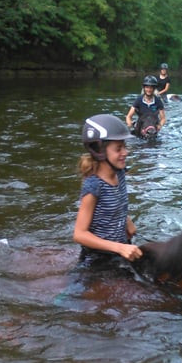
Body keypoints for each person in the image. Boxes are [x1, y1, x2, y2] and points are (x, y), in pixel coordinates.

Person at [74, 114, 143, 266]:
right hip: (97, 258)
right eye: (119, 149)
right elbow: (79, 234)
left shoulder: (120, 172)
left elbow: (117, 203)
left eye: (124, 146)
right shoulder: (94, 186)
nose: (125, 152)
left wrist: (126, 220)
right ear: (100, 151)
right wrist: (119, 247)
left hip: (121, 248)